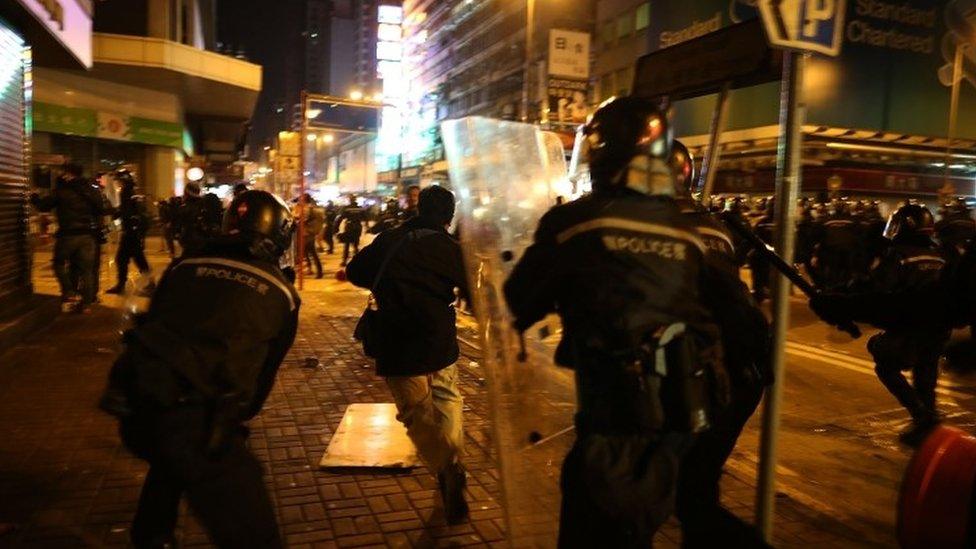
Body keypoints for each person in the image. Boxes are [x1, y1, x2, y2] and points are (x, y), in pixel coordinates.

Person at [503, 98, 727, 547]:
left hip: (613, 415)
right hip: (680, 411)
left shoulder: (575, 222)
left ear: (603, 153)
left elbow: (520, 299)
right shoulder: (686, 230)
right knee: (636, 530)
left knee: (593, 532)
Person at [99, 190, 300, 548]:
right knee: (253, 532)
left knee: (169, 459)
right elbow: (257, 388)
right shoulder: (282, 293)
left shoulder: (184, 265)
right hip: (197, 414)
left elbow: (154, 320)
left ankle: (152, 535)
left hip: (134, 399)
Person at [346, 186, 470, 524]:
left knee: (415, 411)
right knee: (447, 397)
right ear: (449, 216)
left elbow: (356, 272)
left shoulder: (390, 239)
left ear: (418, 208)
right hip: (437, 336)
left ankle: (445, 465)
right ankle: (454, 463)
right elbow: (473, 287)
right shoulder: (450, 247)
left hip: (396, 337)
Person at [669, 141, 772, 548]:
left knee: (688, 496)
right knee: (697, 487)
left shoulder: (651, 228)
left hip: (709, 374)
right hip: (740, 369)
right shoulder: (714, 224)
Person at [812, 203, 948, 446]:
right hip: (937, 328)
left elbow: (877, 290)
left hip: (909, 324)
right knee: (925, 373)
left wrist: (841, 301)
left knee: (884, 363)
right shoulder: (940, 256)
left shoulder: (898, 255)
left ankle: (921, 414)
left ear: (907, 226)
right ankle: (928, 423)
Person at [30, 163, 111, 313]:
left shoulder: (63, 190)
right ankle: (86, 304)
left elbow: (43, 206)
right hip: (88, 236)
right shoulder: (91, 190)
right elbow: (102, 209)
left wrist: (34, 196)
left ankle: (69, 292)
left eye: (63, 173)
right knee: (87, 270)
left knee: (58, 263)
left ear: (68, 174)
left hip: (68, 235)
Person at [106, 170, 154, 295]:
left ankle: (125, 285)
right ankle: (125, 285)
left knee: (126, 259)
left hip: (130, 232)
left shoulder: (126, 192)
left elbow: (126, 213)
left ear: (124, 181)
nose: (117, 183)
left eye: (119, 181)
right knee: (131, 259)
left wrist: (116, 216)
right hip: (133, 231)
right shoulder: (131, 192)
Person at [174, 183, 223, 256]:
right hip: (206, 240)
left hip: (191, 240)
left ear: (187, 193)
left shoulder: (185, 207)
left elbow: (179, 225)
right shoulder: (206, 204)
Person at [335, 196, 367, 266]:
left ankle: (344, 261)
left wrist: (336, 228)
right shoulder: (360, 208)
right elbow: (365, 218)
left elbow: (340, 218)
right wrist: (367, 227)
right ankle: (358, 261)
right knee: (356, 245)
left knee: (347, 245)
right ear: (355, 200)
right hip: (358, 227)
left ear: (350, 200)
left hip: (349, 227)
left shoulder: (347, 208)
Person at [301, 193, 324, 278]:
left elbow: (305, 220)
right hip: (310, 232)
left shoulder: (308, 208)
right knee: (307, 252)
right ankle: (311, 269)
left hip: (307, 233)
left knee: (312, 252)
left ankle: (319, 272)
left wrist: (299, 220)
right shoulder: (312, 207)